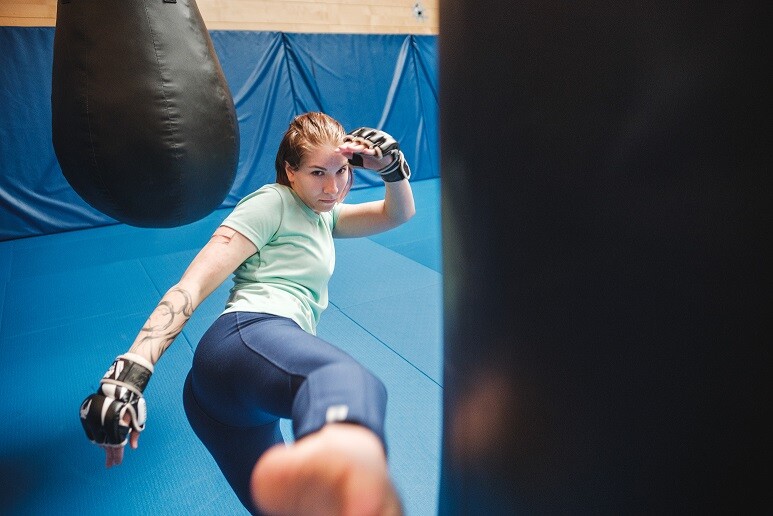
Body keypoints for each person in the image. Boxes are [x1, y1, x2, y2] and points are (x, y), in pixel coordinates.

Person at [79, 112, 415, 515]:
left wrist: (392, 168)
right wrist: (131, 373)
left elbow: (397, 214)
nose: (333, 187)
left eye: (341, 171)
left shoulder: (324, 215)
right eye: (317, 173)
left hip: (229, 409)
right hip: (244, 340)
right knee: (345, 383)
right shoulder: (272, 202)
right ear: (290, 172)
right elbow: (192, 286)